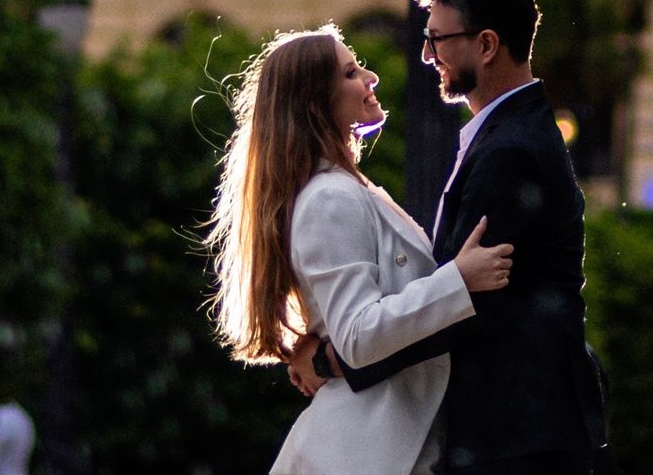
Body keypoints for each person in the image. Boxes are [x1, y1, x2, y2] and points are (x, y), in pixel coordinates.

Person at [296, 0, 615, 474]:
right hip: (519, 427)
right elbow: (452, 288)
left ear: (486, 45)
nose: (427, 55)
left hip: (517, 434)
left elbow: (463, 304)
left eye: (437, 39)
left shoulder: (510, 151)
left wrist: (329, 361)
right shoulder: (507, 135)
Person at [205, 25, 516, 475]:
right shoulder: (331, 196)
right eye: (351, 73)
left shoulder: (343, 188)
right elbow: (356, 335)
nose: (370, 78)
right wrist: (458, 281)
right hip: (363, 448)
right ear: (317, 102)